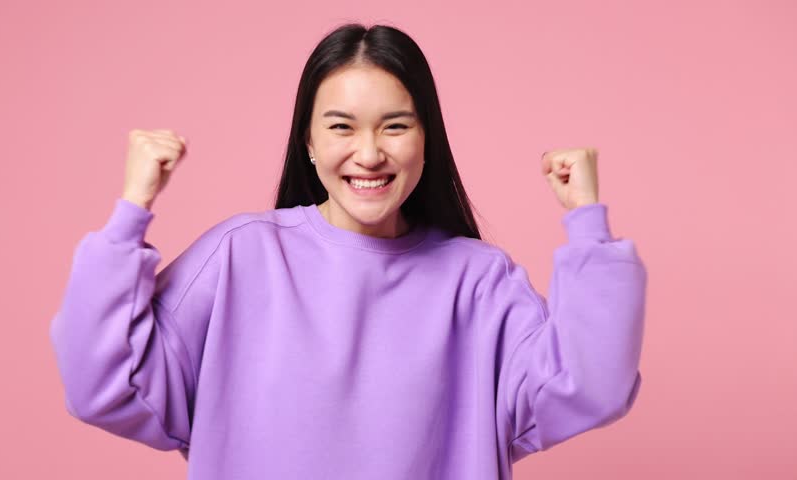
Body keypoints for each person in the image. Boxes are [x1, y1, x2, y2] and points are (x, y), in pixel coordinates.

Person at [49, 22, 647, 480]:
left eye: (394, 126)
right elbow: (103, 384)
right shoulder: (241, 256)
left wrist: (586, 223)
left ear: (426, 139)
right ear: (308, 140)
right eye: (341, 127)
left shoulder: (480, 282)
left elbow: (589, 388)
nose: (368, 153)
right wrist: (133, 207)